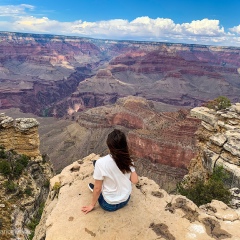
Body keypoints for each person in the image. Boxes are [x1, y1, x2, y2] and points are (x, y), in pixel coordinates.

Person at [81, 129, 138, 214]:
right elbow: (135, 181)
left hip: (108, 205)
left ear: (109, 145)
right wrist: (131, 169)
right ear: (124, 144)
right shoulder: (128, 160)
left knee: (97, 182)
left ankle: (97, 174)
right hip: (125, 200)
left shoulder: (101, 163)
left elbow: (97, 189)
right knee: (102, 168)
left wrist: (92, 205)